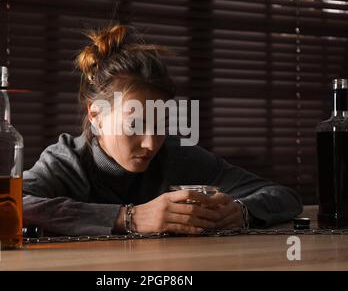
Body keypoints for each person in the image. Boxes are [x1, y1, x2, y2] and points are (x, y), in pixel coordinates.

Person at [23, 24, 303, 236]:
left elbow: (284, 196)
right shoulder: (65, 162)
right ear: (96, 115)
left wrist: (241, 212)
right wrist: (128, 218)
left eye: (160, 125)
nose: (150, 143)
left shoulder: (174, 156)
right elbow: (4, 205)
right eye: (134, 125)